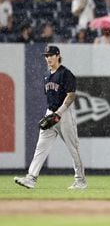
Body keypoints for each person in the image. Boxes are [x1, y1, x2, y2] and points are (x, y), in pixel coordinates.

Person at [14, 45, 87, 189]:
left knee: (74, 148)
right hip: (50, 113)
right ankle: (31, 178)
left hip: (64, 114)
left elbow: (71, 95)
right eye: (46, 56)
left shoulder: (66, 73)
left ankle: (80, 180)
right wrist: (50, 113)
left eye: (51, 55)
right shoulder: (47, 76)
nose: (48, 58)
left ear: (58, 56)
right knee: (40, 147)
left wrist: (59, 112)